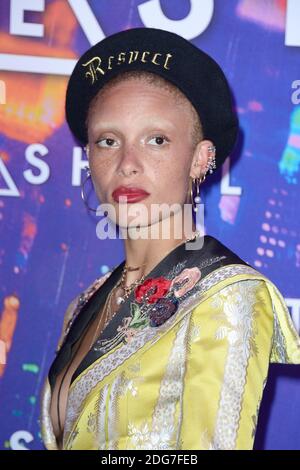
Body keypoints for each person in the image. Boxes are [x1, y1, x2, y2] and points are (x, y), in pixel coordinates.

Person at [39, 27, 300, 450]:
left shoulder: (226, 297)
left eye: (156, 140)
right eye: (108, 141)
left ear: (200, 158)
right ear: (89, 156)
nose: (127, 164)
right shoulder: (85, 305)